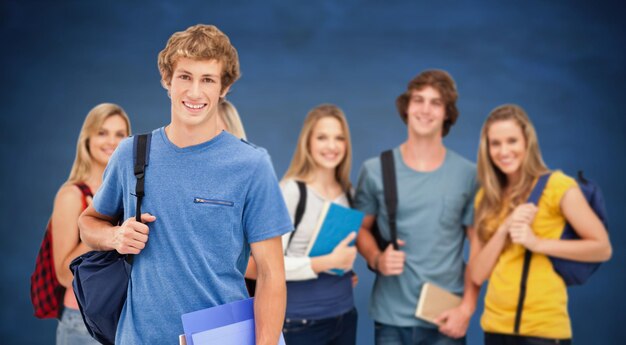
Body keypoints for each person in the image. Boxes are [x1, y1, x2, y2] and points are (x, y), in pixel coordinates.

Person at [78, 24, 293, 345]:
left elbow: (272, 275)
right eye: (185, 77)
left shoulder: (251, 165)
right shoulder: (131, 154)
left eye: (207, 79)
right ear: (167, 80)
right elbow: (87, 224)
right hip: (139, 338)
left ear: (224, 87)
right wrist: (115, 235)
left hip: (221, 338)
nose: (194, 92)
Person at [469, 104, 612, 345]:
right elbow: (477, 273)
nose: (504, 151)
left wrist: (536, 243)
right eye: (495, 143)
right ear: (487, 148)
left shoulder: (557, 186)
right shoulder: (486, 198)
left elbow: (602, 248)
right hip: (495, 330)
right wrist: (504, 228)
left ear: (527, 142)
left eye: (512, 141)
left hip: (542, 333)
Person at [355, 70, 479, 345]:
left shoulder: (468, 174)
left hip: (446, 318)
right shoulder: (376, 170)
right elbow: (361, 229)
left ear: (447, 113)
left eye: (435, 102)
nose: (425, 109)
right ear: (406, 107)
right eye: (418, 100)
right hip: (390, 319)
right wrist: (376, 258)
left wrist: (467, 309)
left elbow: (479, 248)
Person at [51, 103, 131, 344]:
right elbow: (64, 275)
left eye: (120, 134)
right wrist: (97, 226)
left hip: (120, 318)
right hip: (83, 322)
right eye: (102, 132)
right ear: (87, 139)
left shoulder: (129, 191)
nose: (111, 141)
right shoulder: (72, 195)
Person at [280, 104, 359, 344]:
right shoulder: (291, 192)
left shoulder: (348, 193)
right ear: (308, 143)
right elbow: (270, 266)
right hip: (301, 324)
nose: (332, 146)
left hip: (344, 316)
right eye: (322, 137)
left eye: (339, 138)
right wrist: (327, 263)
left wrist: (343, 267)